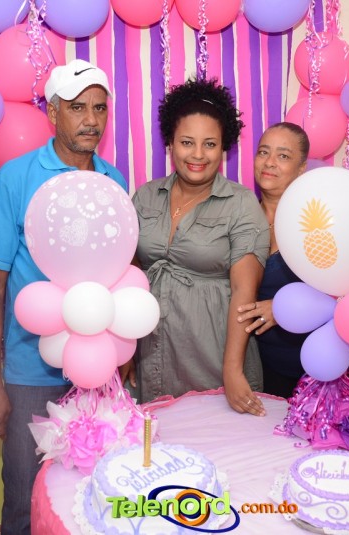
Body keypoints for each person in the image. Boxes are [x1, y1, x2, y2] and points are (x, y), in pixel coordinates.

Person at [0, 59, 126, 535]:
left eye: (100, 108)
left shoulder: (113, 181)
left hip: (97, 371)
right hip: (30, 373)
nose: (91, 120)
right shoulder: (16, 178)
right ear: (53, 113)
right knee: (24, 496)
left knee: (93, 493)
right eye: (78, 108)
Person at [121, 78, 270, 416]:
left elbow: (244, 292)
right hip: (150, 353)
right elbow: (129, 277)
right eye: (187, 142)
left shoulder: (241, 204)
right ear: (170, 143)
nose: (198, 155)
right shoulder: (145, 196)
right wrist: (125, 349)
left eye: (210, 144)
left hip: (213, 353)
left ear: (224, 147)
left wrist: (232, 369)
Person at [236, 122, 310, 398]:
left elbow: (342, 293)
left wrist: (283, 307)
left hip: (314, 366)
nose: (269, 162)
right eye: (263, 152)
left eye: (283, 156)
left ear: (301, 169)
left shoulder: (316, 224)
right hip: (258, 367)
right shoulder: (239, 219)